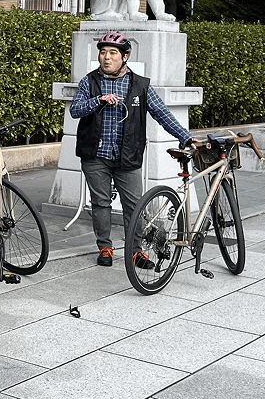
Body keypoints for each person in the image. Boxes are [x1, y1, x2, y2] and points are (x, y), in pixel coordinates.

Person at [70, 31, 196, 268]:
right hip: (95, 155)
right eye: (103, 52)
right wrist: (99, 100)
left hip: (128, 156)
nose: (107, 57)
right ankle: (105, 247)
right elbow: (75, 110)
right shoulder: (89, 81)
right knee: (101, 203)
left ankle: (135, 251)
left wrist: (186, 137)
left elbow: (162, 114)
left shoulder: (140, 85)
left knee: (135, 205)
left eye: (113, 53)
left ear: (125, 57)